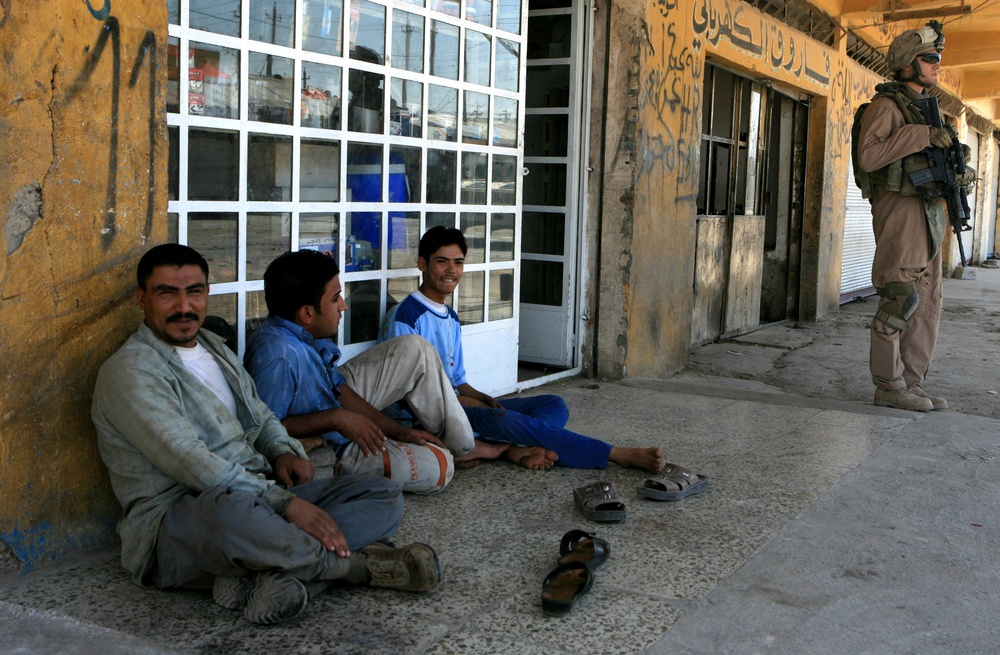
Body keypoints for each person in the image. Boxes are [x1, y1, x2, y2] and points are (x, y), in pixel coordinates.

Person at [91, 244, 441, 626]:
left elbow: (260, 413)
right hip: (181, 516)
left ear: (207, 293)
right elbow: (190, 463)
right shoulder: (130, 371)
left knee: (381, 494)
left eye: (194, 291)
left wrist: (281, 451)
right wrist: (285, 504)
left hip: (258, 493)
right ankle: (357, 568)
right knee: (234, 512)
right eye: (166, 293)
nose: (184, 306)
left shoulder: (213, 348)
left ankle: (267, 576)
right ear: (142, 299)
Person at [379, 226, 665, 473]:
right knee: (506, 419)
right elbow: (406, 394)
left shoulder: (450, 317)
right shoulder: (407, 316)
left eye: (458, 262)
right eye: (441, 262)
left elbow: (458, 381)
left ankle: (502, 447)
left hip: (460, 406)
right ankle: (614, 454)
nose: (451, 270)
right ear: (422, 264)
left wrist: (486, 399)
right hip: (431, 417)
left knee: (552, 404)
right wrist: (468, 405)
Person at [244, 249, 507, 494]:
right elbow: (265, 430)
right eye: (335, 298)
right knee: (439, 466)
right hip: (327, 445)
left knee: (415, 349)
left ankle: (464, 445)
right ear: (306, 313)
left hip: (332, 412)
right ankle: (457, 451)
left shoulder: (304, 333)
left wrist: (397, 431)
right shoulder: (277, 356)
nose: (344, 306)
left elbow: (339, 389)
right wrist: (337, 420)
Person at [857, 22, 958, 411]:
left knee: (928, 300)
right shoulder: (886, 107)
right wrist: (922, 136)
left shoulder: (927, 110)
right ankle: (888, 385)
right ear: (905, 65)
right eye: (930, 59)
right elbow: (870, 155)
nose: (937, 66)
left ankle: (911, 382)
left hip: (930, 213)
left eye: (938, 59)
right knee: (899, 299)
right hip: (900, 211)